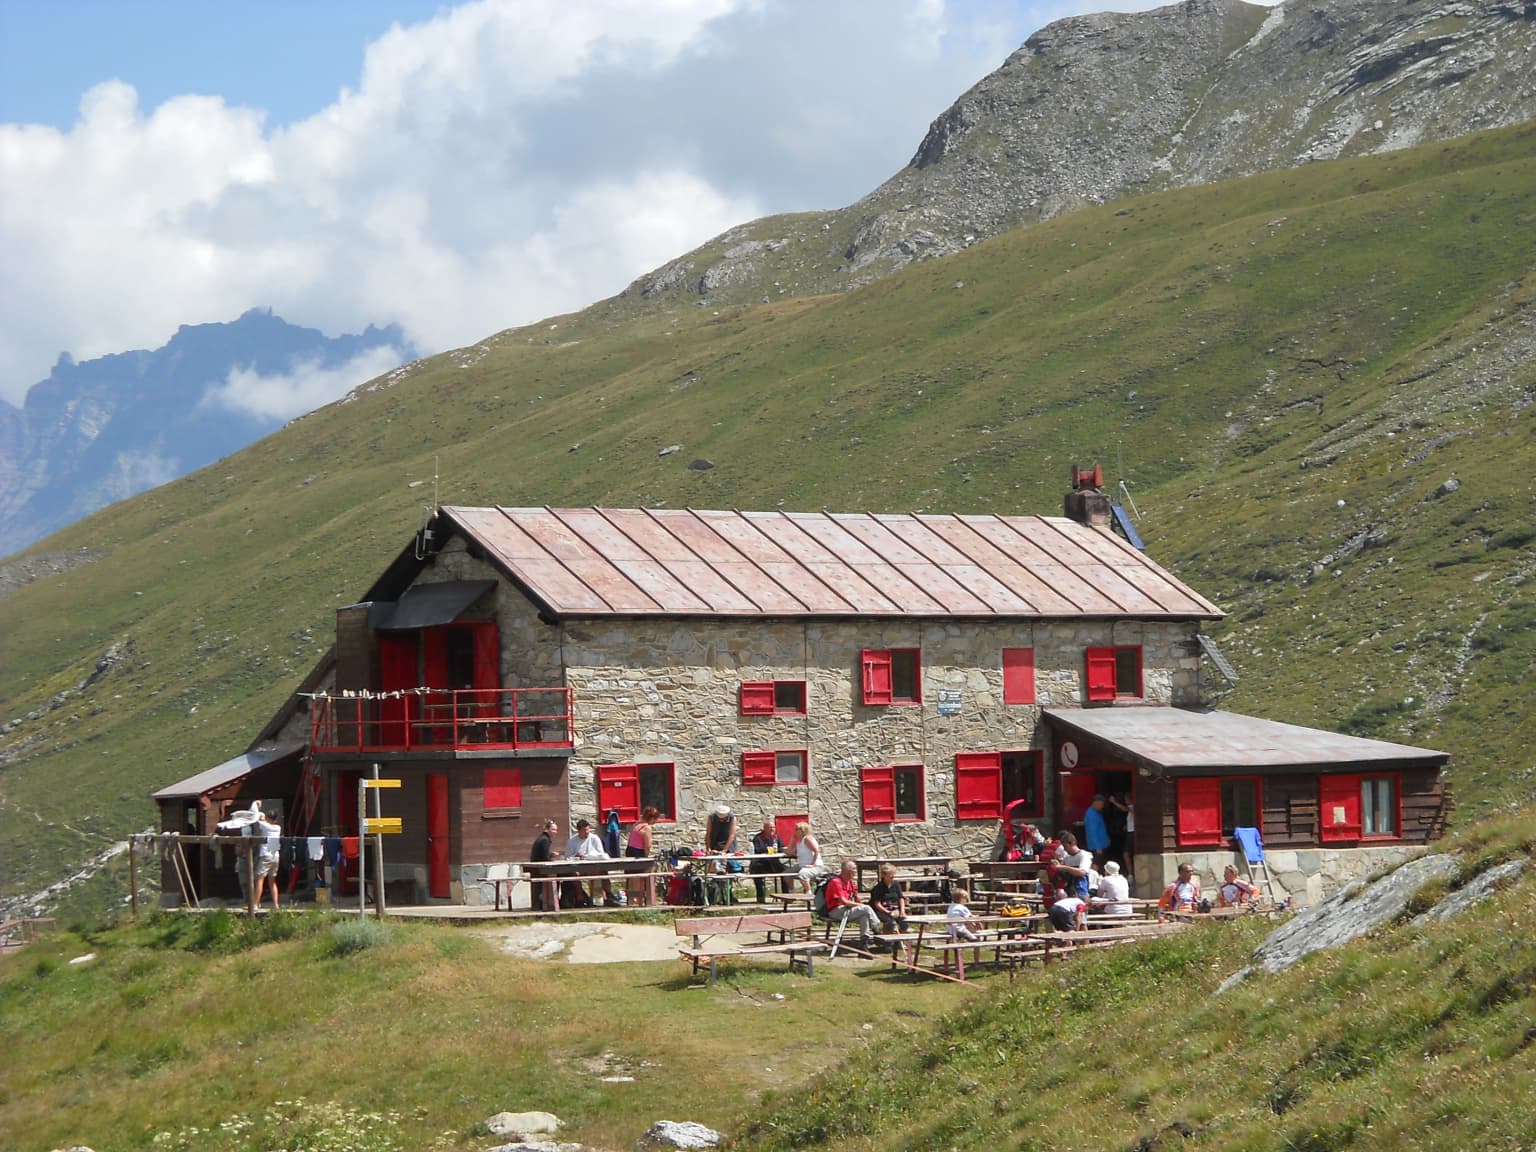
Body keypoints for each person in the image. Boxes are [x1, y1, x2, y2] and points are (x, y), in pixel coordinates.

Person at [824, 860, 880, 951]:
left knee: (864, 915)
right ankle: (876, 930)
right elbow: (844, 902)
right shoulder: (836, 882)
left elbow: (856, 898)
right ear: (846, 870)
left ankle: (863, 945)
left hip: (847, 910)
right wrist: (861, 906)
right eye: (854, 869)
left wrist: (861, 904)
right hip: (836, 910)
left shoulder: (850, 882)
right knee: (866, 909)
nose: (855, 871)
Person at [564, 818, 613, 907]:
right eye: (584, 830)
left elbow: (601, 854)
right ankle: (580, 898)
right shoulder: (572, 841)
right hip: (578, 868)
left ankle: (607, 896)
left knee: (603, 872)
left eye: (588, 830)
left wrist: (591, 856)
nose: (587, 832)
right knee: (573, 875)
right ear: (578, 831)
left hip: (593, 867)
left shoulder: (594, 838)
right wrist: (576, 856)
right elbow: (567, 857)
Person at [625, 807, 659, 906]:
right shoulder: (646, 828)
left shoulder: (636, 825)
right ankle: (639, 900)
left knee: (631, 878)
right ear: (652, 818)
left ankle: (631, 899)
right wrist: (646, 857)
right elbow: (647, 845)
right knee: (640, 877)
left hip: (630, 851)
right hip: (638, 853)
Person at [868, 862, 908, 944]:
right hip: (882, 910)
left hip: (895, 909)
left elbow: (901, 898)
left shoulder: (896, 884)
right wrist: (888, 912)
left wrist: (902, 911)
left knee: (904, 922)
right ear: (884, 875)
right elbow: (877, 904)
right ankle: (886, 942)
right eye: (891, 875)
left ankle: (900, 942)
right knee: (890, 922)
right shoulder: (878, 888)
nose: (893, 876)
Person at [749, 816, 786, 903]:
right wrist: (769, 850)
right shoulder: (758, 838)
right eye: (770, 828)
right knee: (756, 872)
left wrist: (779, 850)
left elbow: (782, 848)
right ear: (764, 828)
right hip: (761, 863)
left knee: (786, 872)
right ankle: (761, 898)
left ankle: (786, 897)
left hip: (774, 862)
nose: (772, 829)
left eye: (773, 827)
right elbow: (758, 850)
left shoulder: (776, 837)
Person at [251, 812, 282, 911]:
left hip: (265, 855)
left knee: (260, 880)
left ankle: (255, 904)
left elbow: (255, 819)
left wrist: (260, 816)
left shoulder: (265, 826)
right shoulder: (278, 827)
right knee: (272, 881)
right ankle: (275, 905)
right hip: (275, 855)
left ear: (268, 818)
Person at [1055, 831, 1093, 899]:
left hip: (1081, 891)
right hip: (1068, 891)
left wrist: (1063, 867)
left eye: (1065, 846)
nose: (1064, 849)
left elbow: (1082, 872)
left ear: (1072, 843)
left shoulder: (1084, 855)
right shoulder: (1067, 858)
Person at [530, 818, 557, 911]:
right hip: (540, 869)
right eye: (553, 829)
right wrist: (551, 857)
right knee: (555, 877)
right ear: (547, 829)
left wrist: (551, 854)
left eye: (556, 830)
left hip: (536, 868)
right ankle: (551, 902)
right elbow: (545, 858)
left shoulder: (542, 838)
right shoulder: (545, 840)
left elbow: (543, 854)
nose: (555, 832)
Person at [790, 820, 825, 891]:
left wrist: (813, 864)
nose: (795, 831)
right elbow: (791, 852)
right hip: (802, 865)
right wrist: (792, 840)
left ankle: (809, 894)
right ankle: (792, 892)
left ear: (802, 831)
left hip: (815, 866)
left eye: (797, 829)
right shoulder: (799, 842)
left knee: (802, 874)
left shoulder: (807, 839)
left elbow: (816, 850)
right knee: (787, 874)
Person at [1083, 794, 1110, 868]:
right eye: (1101, 804)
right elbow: (1092, 832)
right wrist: (1098, 847)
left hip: (1102, 844)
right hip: (1096, 847)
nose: (1102, 806)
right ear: (1096, 803)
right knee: (1096, 865)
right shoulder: (1091, 814)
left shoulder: (1097, 812)